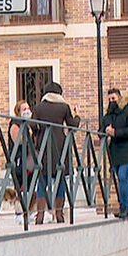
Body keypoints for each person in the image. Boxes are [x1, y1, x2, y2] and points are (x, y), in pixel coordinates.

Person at [30, 82, 80, 224]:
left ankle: (40, 215)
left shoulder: (39, 107)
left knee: (42, 179)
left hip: (44, 146)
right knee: (60, 179)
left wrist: (38, 133)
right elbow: (72, 125)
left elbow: (33, 124)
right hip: (60, 145)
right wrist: (77, 115)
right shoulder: (64, 107)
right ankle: (59, 214)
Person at [101, 87, 128, 219]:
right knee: (120, 178)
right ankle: (125, 207)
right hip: (115, 152)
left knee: (123, 176)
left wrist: (116, 133)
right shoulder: (110, 114)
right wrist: (105, 131)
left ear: (119, 98)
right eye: (109, 99)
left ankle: (126, 207)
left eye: (113, 98)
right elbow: (102, 128)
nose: (111, 101)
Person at [4, 100, 33, 215]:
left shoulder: (30, 123)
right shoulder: (15, 123)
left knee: (30, 186)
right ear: (18, 112)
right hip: (19, 160)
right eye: (24, 109)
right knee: (20, 186)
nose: (27, 111)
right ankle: (19, 213)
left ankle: (28, 211)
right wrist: (29, 134)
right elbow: (17, 140)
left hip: (30, 159)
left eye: (28, 108)